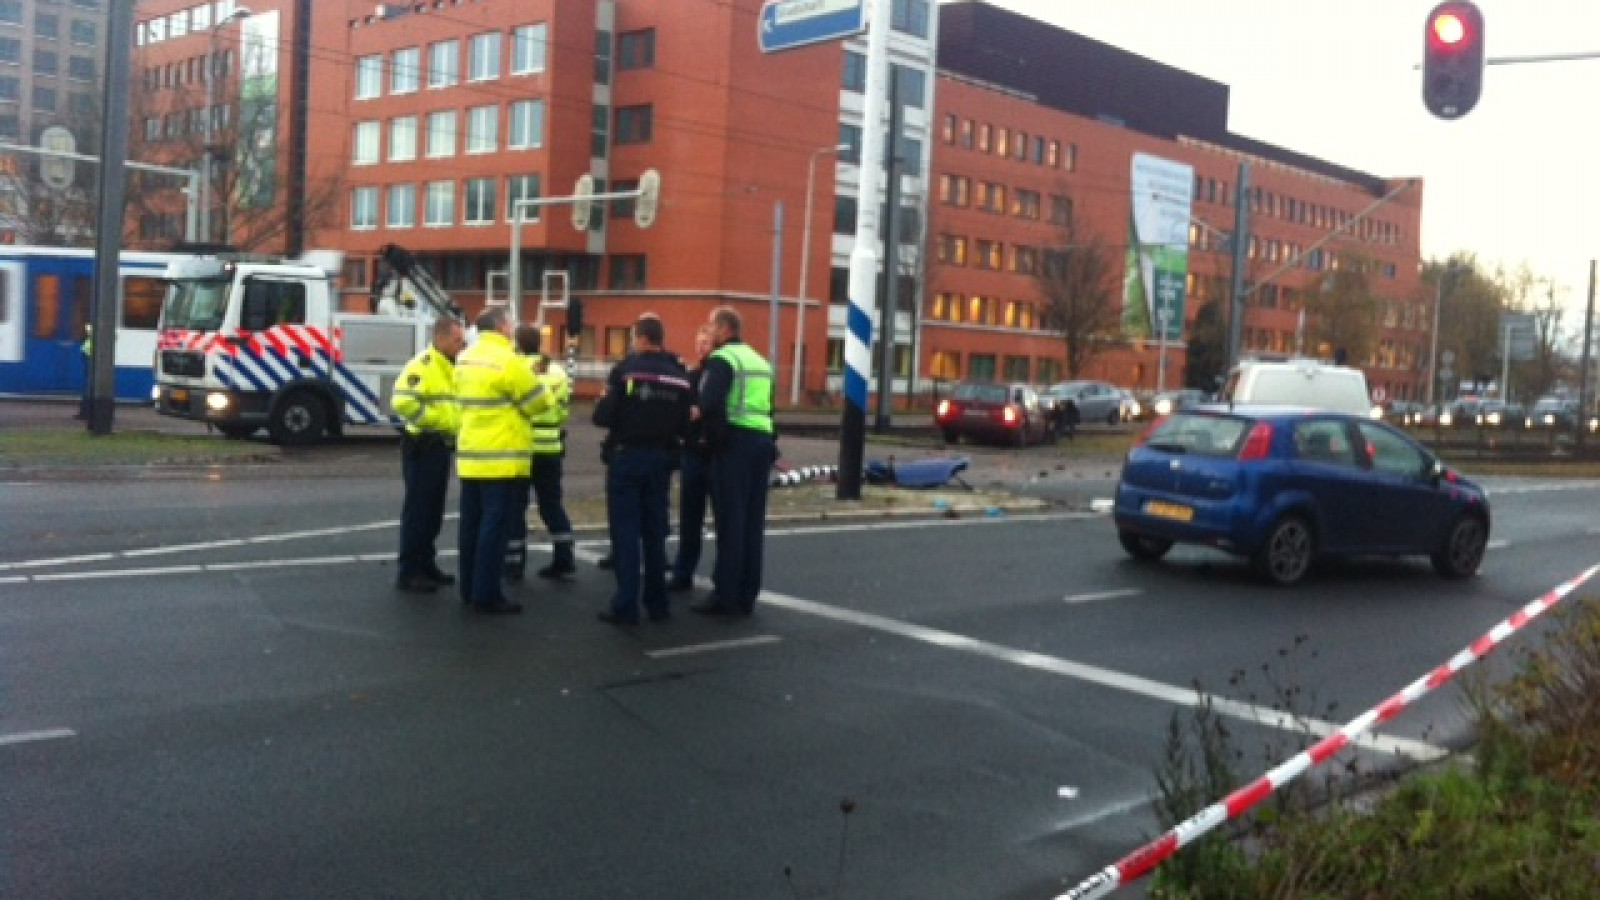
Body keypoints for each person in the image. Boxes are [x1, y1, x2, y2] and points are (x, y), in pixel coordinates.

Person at [591, 313, 692, 627]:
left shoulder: (625, 371)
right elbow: (686, 422)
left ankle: (626, 605)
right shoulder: (679, 375)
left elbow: (603, 417)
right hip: (662, 459)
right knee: (654, 533)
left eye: (634, 338)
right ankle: (657, 603)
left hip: (628, 457)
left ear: (642, 338)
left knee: (626, 533)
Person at [453, 307, 553, 615]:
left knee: (470, 525)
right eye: (510, 321)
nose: (513, 327)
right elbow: (538, 403)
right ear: (501, 326)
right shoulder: (509, 361)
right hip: (503, 458)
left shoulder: (464, 358)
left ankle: (469, 588)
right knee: (494, 528)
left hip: (471, 456)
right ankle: (487, 593)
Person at [692, 307, 775, 618]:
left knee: (730, 521)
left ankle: (724, 594)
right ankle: (747, 594)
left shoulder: (723, 360)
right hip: (761, 442)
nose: (709, 332)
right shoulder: (760, 361)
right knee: (753, 523)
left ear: (724, 329)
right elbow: (769, 409)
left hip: (734, 446)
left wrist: (709, 441)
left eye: (712, 326)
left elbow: (710, 404)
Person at [391, 316, 466, 593]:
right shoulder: (423, 365)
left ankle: (426, 563)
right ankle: (409, 570)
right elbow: (401, 400)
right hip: (423, 443)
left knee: (433, 510)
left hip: (439, 445)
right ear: (441, 338)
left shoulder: (450, 366)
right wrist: (436, 421)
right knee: (419, 510)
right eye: (457, 340)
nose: (461, 345)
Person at [504, 326, 576, 581]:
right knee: (551, 504)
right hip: (551, 445)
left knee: (515, 506)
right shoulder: (557, 372)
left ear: (519, 344)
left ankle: (513, 564)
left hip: (523, 446)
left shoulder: (516, 368)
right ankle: (564, 557)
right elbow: (564, 410)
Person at [668, 325, 716, 592]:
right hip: (692, 452)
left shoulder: (718, 373)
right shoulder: (690, 376)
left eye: (706, 343)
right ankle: (682, 571)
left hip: (714, 452)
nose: (701, 347)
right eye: (699, 342)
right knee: (690, 517)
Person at [75, 323, 92, 420]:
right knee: (89, 387)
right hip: (89, 358)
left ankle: (85, 413)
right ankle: (85, 412)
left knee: (89, 388)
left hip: (90, 359)